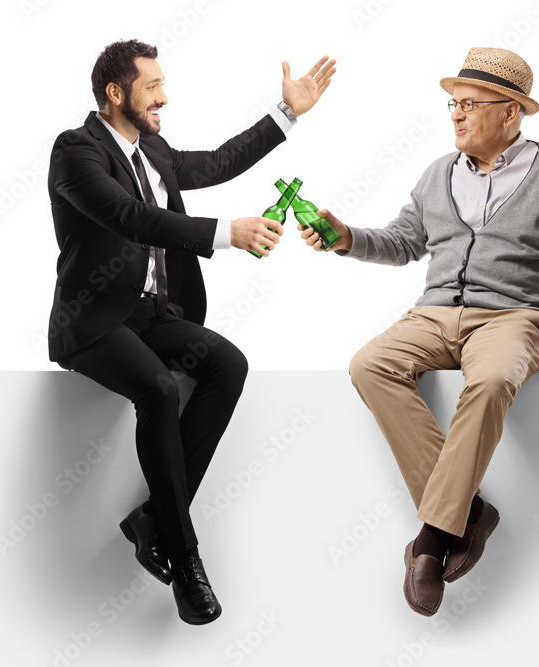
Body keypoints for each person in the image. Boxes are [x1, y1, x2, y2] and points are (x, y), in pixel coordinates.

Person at [298, 47, 539, 616]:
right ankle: (468, 515)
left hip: (514, 316)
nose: (456, 115)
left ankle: (432, 541)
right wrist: (346, 237)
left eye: (469, 104)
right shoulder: (438, 172)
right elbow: (403, 243)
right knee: (370, 364)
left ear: (511, 112)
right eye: (453, 104)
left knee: (490, 381)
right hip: (435, 313)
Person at [47, 39, 335, 625]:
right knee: (157, 388)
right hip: (95, 321)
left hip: (154, 315)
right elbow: (131, 217)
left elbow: (218, 163)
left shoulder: (152, 147)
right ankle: (184, 558)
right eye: (153, 87)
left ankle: (153, 518)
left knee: (227, 366)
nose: (164, 97)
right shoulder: (76, 152)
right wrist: (226, 233)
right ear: (116, 92)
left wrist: (287, 113)